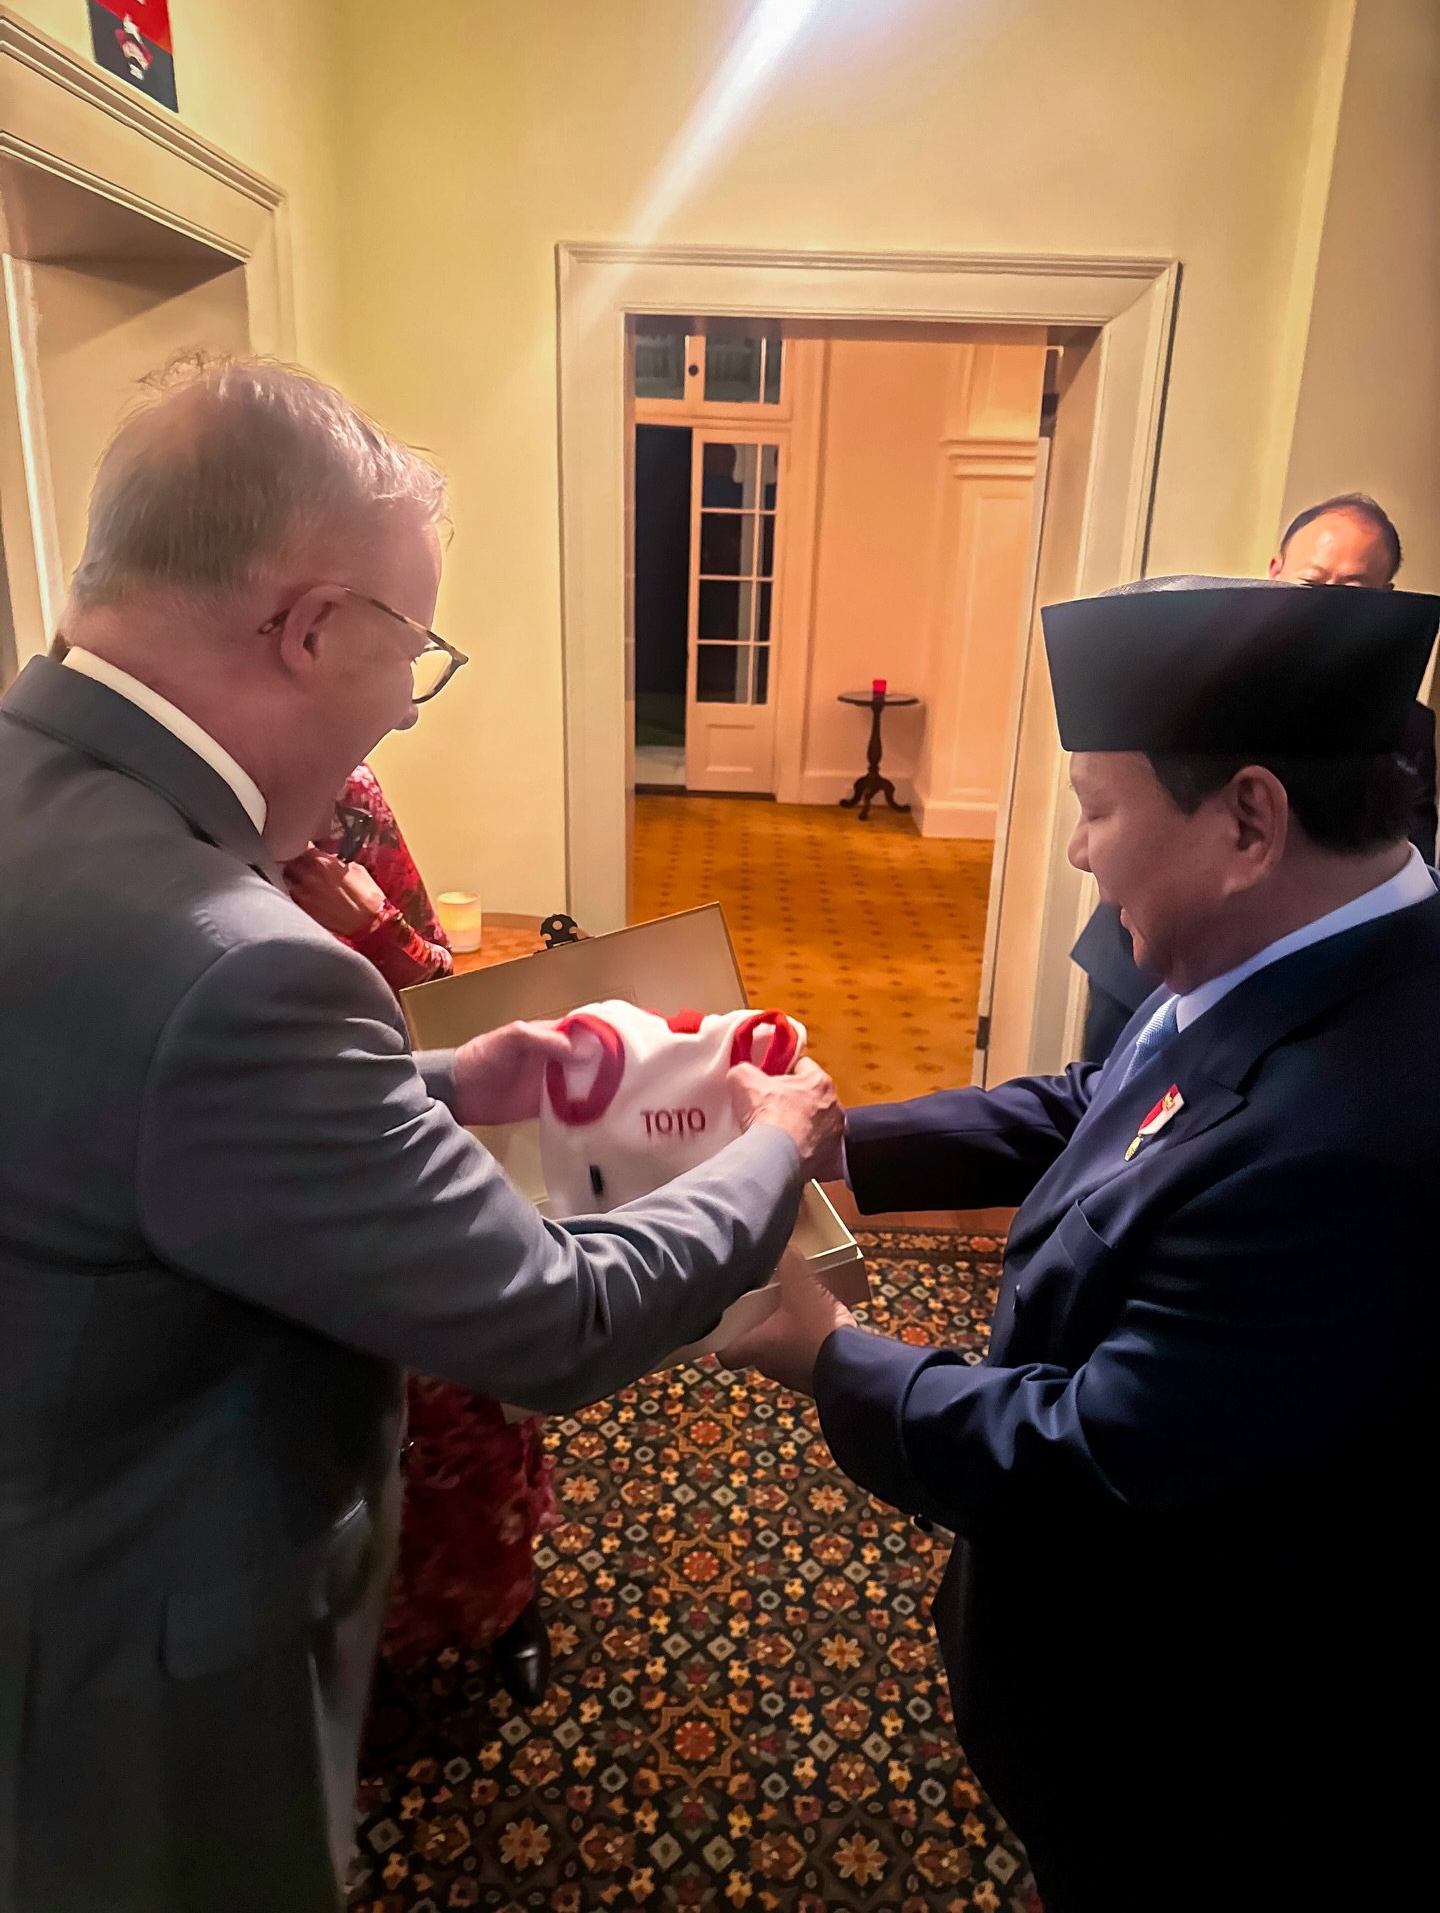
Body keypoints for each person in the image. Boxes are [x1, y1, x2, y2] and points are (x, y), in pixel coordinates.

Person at [0, 355, 841, 1913]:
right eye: (415, 657)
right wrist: (770, 1143)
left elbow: (134, 1119)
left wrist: (455, 1073)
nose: (402, 705)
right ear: (314, 627)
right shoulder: (243, 962)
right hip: (136, 1655)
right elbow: (551, 1318)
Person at [725, 576, 1440, 1912]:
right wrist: (839, 1140)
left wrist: (829, 1354)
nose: (1077, 854)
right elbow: (1100, 1102)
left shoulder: (1355, 1140)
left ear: (1249, 820)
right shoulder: (1292, 949)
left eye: (1098, 809)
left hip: (1196, 1747)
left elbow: (1097, 1461)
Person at [285, 767, 558, 1705]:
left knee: (465, 1402)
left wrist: (373, 927)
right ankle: (349, 1643)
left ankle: (507, 1601)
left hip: (398, 1136)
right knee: (318, 1435)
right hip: (264, 1179)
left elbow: (444, 989)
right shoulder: (165, 831)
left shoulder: (351, 798)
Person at [1072, 493, 1437, 1060]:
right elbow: (1092, 1097)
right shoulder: (1204, 676)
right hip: (1141, 958)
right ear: (1275, 572)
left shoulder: (1390, 720)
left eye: (1353, 590)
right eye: (1313, 583)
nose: (1327, 606)